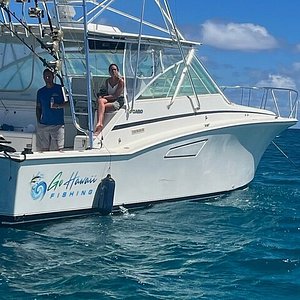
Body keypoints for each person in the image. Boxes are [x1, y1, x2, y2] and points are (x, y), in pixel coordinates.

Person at [36, 69, 66, 151]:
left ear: (53, 77)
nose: (47, 78)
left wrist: (59, 106)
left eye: (49, 76)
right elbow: (38, 107)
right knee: (44, 149)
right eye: (46, 76)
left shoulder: (60, 89)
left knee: (58, 149)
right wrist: (39, 121)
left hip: (57, 124)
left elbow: (68, 103)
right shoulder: (41, 92)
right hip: (44, 124)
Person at [94, 63, 124, 135]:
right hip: (110, 99)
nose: (113, 71)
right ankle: (100, 123)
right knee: (100, 101)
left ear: (117, 71)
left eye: (115, 70)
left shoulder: (121, 81)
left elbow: (116, 96)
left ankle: (99, 127)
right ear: (109, 72)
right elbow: (107, 93)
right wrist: (101, 96)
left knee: (101, 107)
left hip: (117, 101)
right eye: (111, 70)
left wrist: (104, 97)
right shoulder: (107, 81)